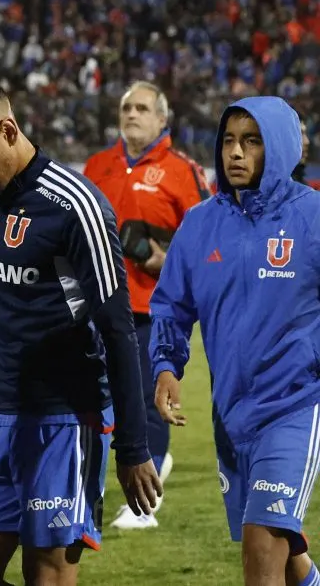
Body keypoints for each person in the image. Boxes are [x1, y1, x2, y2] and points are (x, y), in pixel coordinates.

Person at [0, 77, 161, 586]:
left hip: (64, 421)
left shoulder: (75, 205)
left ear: (8, 130)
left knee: (49, 577)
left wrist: (133, 447)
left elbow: (118, 331)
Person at [151, 96, 320, 586]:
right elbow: (171, 307)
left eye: (252, 141)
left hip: (295, 406)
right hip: (230, 415)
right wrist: (166, 366)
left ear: (282, 147)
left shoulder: (311, 218)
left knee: (261, 544)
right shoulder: (201, 224)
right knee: (282, 551)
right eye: (228, 141)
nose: (236, 153)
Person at [83, 80, 211, 529]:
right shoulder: (96, 166)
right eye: (126, 107)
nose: (132, 114)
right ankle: (90, 490)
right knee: (92, 400)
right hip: (94, 308)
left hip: (150, 308)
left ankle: (145, 502)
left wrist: (164, 261)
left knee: (143, 399)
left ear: (162, 119)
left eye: (142, 108)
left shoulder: (182, 171)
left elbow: (207, 240)